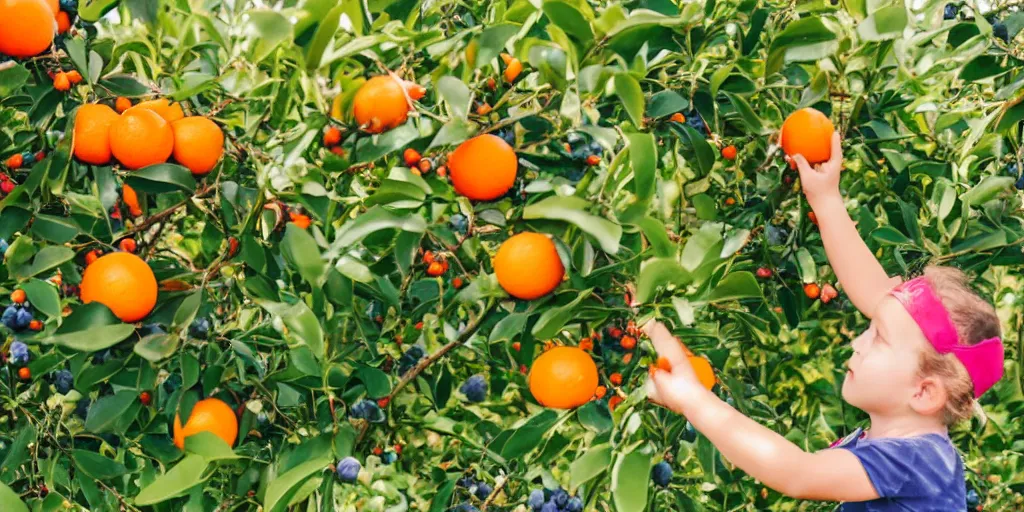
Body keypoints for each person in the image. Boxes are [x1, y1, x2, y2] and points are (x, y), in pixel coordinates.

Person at [644, 132, 1005, 511]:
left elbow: (796, 474)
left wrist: (693, 400)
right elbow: (875, 296)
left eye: (877, 338)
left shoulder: (917, 459)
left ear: (924, 393)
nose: (856, 343)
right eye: (869, 330)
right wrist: (826, 198)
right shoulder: (909, 445)